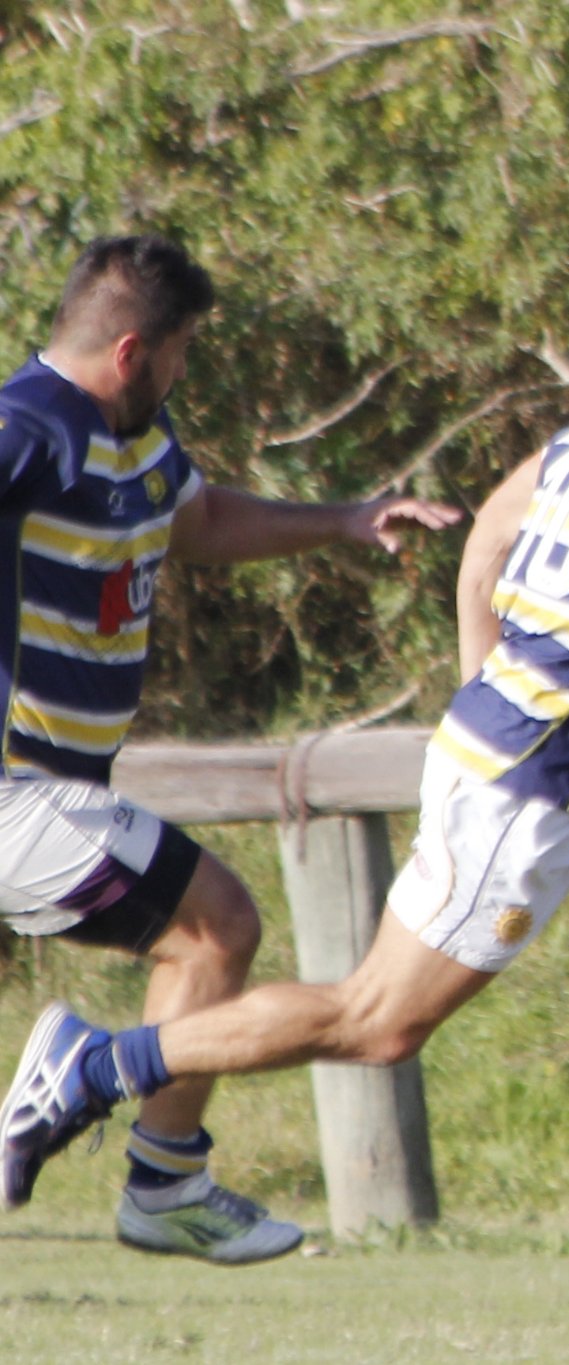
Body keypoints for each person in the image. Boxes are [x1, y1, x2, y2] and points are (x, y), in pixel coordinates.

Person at [1, 251, 569, 1289]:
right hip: (535, 783)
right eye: (187, 348)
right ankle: (100, 1070)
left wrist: (482, 685)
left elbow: (488, 545)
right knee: (375, 1022)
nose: (190, 367)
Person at [0, 234, 460, 1264]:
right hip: (20, 789)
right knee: (217, 926)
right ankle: (154, 1171)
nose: (185, 373)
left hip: (60, 792)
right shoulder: (38, 423)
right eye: (182, 353)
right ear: (131, 352)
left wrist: (344, 520)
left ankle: (165, 1181)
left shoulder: (136, 440)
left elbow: (197, 521)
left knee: (207, 935)